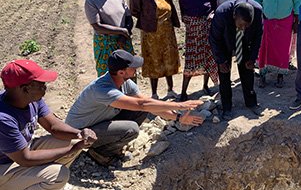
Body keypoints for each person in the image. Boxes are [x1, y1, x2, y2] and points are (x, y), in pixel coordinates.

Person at [0, 60, 97, 190]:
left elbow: (54, 126)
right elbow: (25, 159)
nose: (45, 87)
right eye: (41, 84)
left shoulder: (31, 99)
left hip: (17, 156)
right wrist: (71, 150)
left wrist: (79, 134)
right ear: (25, 89)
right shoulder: (3, 118)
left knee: (74, 141)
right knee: (58, 174)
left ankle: (37, 185)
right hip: (4, 168)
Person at [66, 50, 204, 166]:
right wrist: (179, 105)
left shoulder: (125, 82)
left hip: (97, 124)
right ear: (121, 72)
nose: (136, 70)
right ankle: (101, 153)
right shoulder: (103, 90)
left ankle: (108, 145)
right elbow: (142, 104)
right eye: (133, 68)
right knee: (131, 129)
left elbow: (147, 103)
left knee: (139, 112)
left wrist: (178, 117)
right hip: (80, 134)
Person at [129, 0, 181, 99]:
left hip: (167, 33)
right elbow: (134, 10)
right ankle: (154, 94)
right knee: (154, 62)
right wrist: (148, 19)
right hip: (151, 34)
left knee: (169, 61)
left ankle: (170, 89)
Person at [209, 0, 264, 120]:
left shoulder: (258, 11)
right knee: (224, 74)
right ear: (234, 16)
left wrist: (252, 58)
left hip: (245, 42)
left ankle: (251, 102)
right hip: (225, 40)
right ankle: (227, 107)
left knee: (247, 71)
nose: (243, 28)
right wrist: (221, 61)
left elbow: (258, 36)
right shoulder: (221, 14)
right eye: (241, 25)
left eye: (247, 25)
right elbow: (214, 39)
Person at [253, 0, 301, 88]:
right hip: (266, 21)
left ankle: (280, 75)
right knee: (264, 49)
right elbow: (256, 0)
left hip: (285, 21)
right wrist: (259, 15)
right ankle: (262, 75)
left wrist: (296, 20)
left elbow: (298, 1)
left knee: (282, 50)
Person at [178, 0, 219, 101]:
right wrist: (192, 23)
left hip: (206, 29)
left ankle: (205, 86)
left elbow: (214, 8)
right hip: (192, 31)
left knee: (208, 57)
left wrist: (209, 18)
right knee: (190, 59)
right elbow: (183, 12)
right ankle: (184, 91)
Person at [85, 0, 135, 77]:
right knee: (109, 76)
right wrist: (122, 31)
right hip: (105, 43)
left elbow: (129, 18)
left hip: (123, 41)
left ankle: (129, 94)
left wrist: (124, 34)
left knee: (128, 73)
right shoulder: (91, 0)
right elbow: (97, 26)